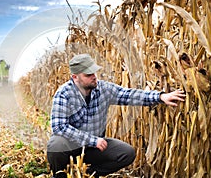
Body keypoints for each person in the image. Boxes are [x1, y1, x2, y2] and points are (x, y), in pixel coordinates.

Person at [46, 53, 185, 178]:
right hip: (71, 145)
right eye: (88, 75)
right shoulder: (64, 93)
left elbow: (128, 95)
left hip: (93, 149)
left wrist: (160, 97)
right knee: (56, 145)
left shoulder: (102, 88)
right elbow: (59, 127)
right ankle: (60, 175)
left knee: (127, 153)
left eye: (94, 72)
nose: (94, 77)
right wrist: (92, 140)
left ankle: (86, 175)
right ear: (75, 77)